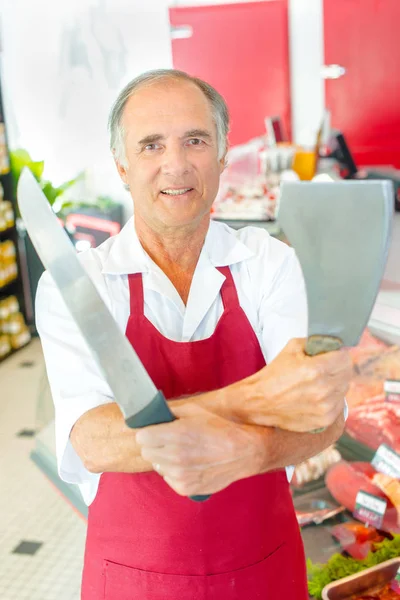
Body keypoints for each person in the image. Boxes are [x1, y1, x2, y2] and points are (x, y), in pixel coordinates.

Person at [36, 69, 352, 600]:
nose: (176, 164)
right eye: (151, 144)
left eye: (196, 140)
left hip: (263, 570)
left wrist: (247, 454)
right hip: (132, 577)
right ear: (122, 165)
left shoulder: (268, 264)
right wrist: (259, 399)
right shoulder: (78, 284)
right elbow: (94, 441)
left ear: (224, 154)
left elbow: (323, 418)